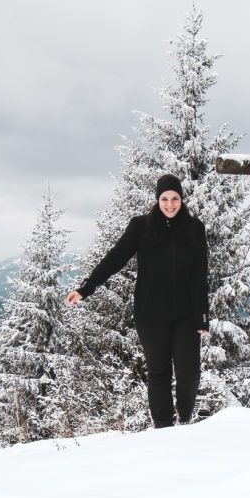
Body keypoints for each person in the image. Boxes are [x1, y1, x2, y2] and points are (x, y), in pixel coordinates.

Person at [66, 174, 209, 428]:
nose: (170, 204)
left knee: (190, 374)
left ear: (182, 200)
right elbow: (115, 258)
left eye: (175, 199)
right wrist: (85, 289)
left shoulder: (194, 228)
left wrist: (202, 317)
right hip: (151, 315)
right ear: (157, 200)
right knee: (159, 372)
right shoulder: (141, 227)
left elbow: (200, 275)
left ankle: (185, 419)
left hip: (186, 315)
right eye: (164, 199)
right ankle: (164, 429)